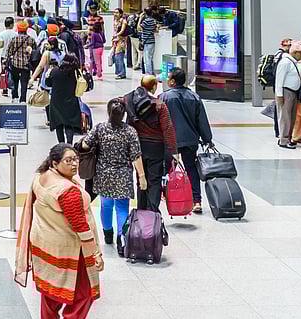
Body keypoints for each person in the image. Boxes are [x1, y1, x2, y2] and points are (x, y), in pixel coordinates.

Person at [14, 142, 103, 319]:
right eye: (68, 160)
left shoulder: (41, 177)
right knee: (86, 292)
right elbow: (81, 227)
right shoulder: (67, 191)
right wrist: (95, 254)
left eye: (76, 159)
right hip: (68, 248)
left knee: (50, 289)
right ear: (55, 163)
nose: (74, 164)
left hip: (44, 244)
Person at [80, 98, 147, 244]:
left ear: (108, 112)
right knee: (122, 207)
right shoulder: (130, 131)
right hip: (123, 175)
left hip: (103, 174)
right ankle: (121, 238)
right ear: (123, 114)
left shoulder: (100, 128)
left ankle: (108, 235)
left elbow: (85, 145)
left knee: (106, 205)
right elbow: (136, 156)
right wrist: (142, 176)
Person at [160, 68, 213, 214]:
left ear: (172, 81)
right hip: (190, 141)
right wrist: (208, 138)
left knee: (168, 169)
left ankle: (167, 195)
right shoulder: (194, 97)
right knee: (191, 169)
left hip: (170, 141)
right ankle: (197, 201)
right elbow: (201, 120)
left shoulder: (164, 97)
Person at [124, 76, 180, 212]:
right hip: (156, 147)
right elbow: (168, 128)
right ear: (154, 87)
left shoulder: (130, 102)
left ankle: (141, 210)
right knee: (154, 180)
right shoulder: (159, 105)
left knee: (140, 178)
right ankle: (153, 210)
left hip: (138, 147)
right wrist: (174, 150)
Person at [44, 54, 83, 144]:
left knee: (59, 124)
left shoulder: (55, 71)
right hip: (71, 100)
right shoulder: (75, 72)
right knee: (69, 124)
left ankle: (61, 144)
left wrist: (48, 73)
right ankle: (69, 143)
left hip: (56, 101)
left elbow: (48, 83)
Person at [274, 43, 301, 149]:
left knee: (291, 117)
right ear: (295, 52)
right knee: (285, 117)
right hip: (286, 92)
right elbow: (279, 79)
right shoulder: (285, 62)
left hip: (293, 92)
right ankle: (283, 139)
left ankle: (288, 138)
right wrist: (279, 95)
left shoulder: (293, 62)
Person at [6, 22, 37, 103]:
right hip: (26, 65)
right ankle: (23, 99)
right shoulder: (31, 40)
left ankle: (15, 96)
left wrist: (6, 62)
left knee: (15, 80)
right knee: (24, 83)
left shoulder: (14, 39)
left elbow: (9, 52)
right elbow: (35, 52)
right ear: (26, 29)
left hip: (15, 64)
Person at [0, 16, 17, 96]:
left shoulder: (2, 34)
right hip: (13, 56)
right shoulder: (15, 34)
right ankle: (14, 88)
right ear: (11, 25)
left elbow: (1, 44)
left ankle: (5, 90)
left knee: (4, 72)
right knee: (13, 72)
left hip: (4, 56)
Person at [138, 6, 159, 75]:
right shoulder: (153, 20)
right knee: (150, 58)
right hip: (152, 41)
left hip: (147, 42)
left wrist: (140, 18)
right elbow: (155, 30)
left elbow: (138, 28)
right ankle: (152, 73)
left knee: (147, 59)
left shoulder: (146, 21)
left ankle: (149, 74)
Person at [85, 12, 106, 81]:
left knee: (93, 60)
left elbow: (93, 42)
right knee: (99, 61)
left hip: (95, 48)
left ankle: (97, 74)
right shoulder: (101, 33)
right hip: (101, 47)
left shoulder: (93, 34)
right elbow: (103, 40)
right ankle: (98, 72)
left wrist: (87, 45)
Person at [110, 9, 128, 80]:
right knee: (116, 56)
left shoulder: (123, 21)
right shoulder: (115, 21)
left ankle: (121, 73)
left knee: (119, 56)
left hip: (121, 40)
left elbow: (122, 30)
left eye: (117, 13)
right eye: (114, 12)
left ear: (121, 14)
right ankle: (120, 72)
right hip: (116, 40)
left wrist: (116, 35)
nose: (115, 14)